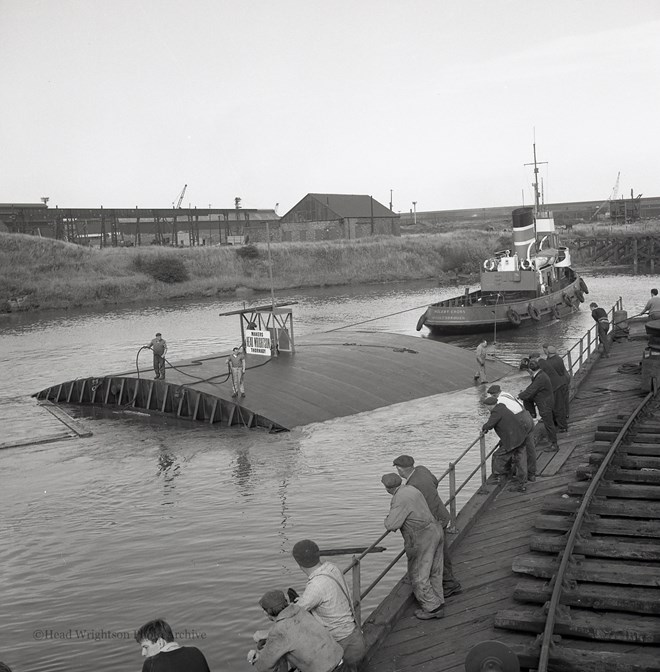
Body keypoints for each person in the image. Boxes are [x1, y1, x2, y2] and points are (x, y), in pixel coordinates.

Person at [287, 539, 365, 672]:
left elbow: (292, 613)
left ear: (299, 563)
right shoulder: (331, 567)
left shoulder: (315, 586)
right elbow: (323, 595)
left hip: (342, 646)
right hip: (355, 638)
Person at [392, 455, 462, 596]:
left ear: (400, 470)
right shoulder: (422, 470)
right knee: (442, 552)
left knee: (436, 553)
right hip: (441, 514)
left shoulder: (412, 486)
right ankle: (448, 582)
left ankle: (448, 584)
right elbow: (435, 482)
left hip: (433, 521)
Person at [381, 472, 445, 619]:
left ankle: (432, 608)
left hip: (421, 537)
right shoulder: (411, 489)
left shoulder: (399, 498)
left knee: (418, 573)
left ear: (387, 488)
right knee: (435, 570)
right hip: (435, 529)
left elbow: (391, 525)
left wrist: (387, 519)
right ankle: (438, 601)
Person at [247, 589, 343, 672]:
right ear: (286, 602)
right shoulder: (300, 611)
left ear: (266, 612)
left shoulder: (278, 631)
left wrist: (256, 657)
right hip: (341, 661)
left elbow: (264, 667)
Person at [486, 384, 536, 482]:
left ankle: (511, 474)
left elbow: (497, 418)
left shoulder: (498, 402)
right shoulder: (506, 394)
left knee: (517, 448)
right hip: (527, 416)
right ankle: (531, 474)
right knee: (530, 447)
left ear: (493, 395)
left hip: (521, 421)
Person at [481, 396, 528, 491]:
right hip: (520, 436)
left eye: (486, 406)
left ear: (490, 406)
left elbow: (489, 424)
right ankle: (521, 482)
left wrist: (484, 428)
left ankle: (499, 476)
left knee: (497, 456)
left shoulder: (496, 412)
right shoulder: (502, 407)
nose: (486, 408)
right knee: (520, 459)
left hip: (513, 440)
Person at [135, 618, 210, 672]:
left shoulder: (151, 664)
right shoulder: (195, 652)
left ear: (160, 642)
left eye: (146, 647)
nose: (143, 653)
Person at [518, 359, 558, 451]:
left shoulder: (540, 378)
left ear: (531, 370)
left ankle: (554, 444)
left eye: (528, 371)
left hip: (545, 403)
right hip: (545, 400)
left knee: (549, 424)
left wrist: (519, 396)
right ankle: (532, 415)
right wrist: (524, 394)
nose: (528, 372)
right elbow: (532, 388)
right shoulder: (540, 374)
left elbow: (532, 390)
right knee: (549, 422)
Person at [531, 352, 567, 432]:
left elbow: (538, 379)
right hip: (555, 386)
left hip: (555, 387)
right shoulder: (543, 362)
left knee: (558, 407)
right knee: (554, 406)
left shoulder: (541, 364)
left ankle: (562, 426)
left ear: (533, 358)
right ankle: (556, 423)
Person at [543, 344, 571, 427]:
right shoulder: (559, 359)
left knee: (558, 403)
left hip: (557, 384)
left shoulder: (549, 362)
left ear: (548, 351)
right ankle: (566, 414)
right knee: (565, 399)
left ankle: (560, 421)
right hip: (564, 380)